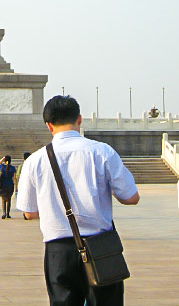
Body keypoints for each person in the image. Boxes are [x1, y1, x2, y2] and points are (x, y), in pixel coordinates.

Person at [16, 95, 140, 306]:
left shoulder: (34, 160)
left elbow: (29, 212)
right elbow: (131, 198)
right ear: (79, 119)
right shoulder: (102, 152)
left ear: (48, 125)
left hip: (58, 250)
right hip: (101, 247)